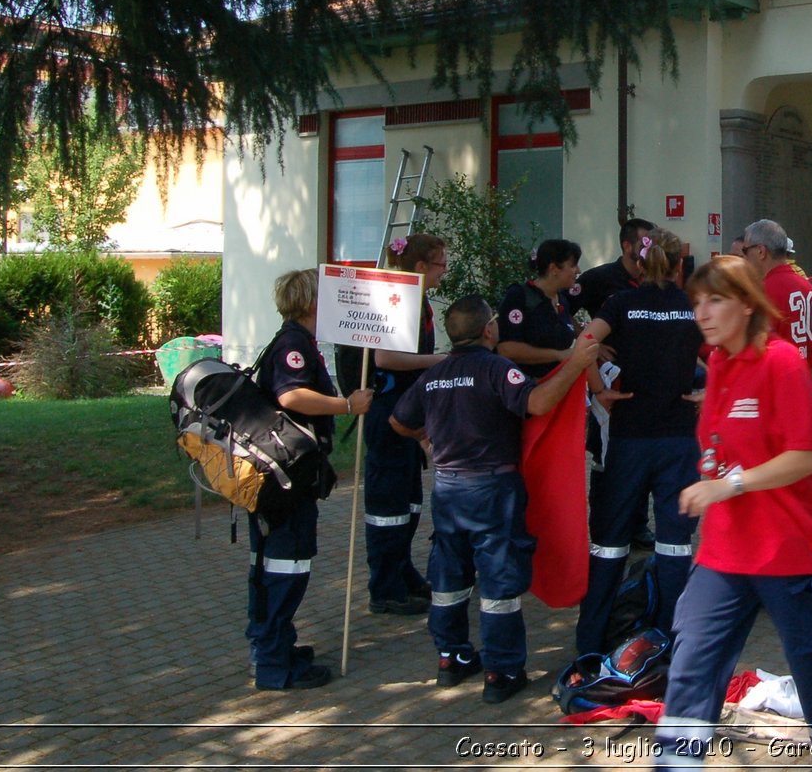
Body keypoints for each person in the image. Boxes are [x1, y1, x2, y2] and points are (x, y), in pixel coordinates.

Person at [653, 256, 812, 770]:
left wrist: (731, 483)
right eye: (697, 301)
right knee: (692, 660)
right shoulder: (718, 363)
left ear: (747, 305)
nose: (702, 311)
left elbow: (809, 454)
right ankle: (676, 762)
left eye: (716, 299)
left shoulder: (782, 362)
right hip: (724, 552)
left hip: (788, 550)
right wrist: (715, 479)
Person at [389, 295, 598, 703]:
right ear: (488, 329)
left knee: (449, 578)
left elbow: (398, 419)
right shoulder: (496, 369)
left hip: (448, 490)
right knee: (499, 581)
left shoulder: (436, 375)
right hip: (492, 490)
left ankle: (450, 659)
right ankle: (501, 673)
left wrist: (428, 443)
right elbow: (536, 402)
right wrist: (574, 364)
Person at [573, 228, 705, 656]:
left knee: (609, 543)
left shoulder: (621, 303)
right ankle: (671, 643)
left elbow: (584, 342)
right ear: (679, 264)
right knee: (674, 545)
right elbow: (730, 353)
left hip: (629, 437)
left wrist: (598, 390)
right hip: (678, 439)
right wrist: (710, 393)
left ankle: (590, 644)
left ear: (641, 263)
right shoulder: (691, 306)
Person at [248, 268, 374, 691]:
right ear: (311, 303)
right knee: (286, 567)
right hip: (285, 481)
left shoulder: (296, 341)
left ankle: (277, 646)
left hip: (285, 476)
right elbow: (291, 395)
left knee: (277, 565)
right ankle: (274, 664)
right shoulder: (292, 346)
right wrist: (347, 405)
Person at [362, 234, 448, 616]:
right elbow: (385, 357)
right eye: (441, 264)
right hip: (387, 410)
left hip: (411, 409)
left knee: (409, 501)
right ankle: (384, 586)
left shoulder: (419, 300)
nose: (445, 271)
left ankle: (402, 570)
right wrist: (438, 362)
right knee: (388, 504)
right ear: (420, 267)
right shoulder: (397, 299)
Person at [741, 218, 812, 377]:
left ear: (761, 251)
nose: (743, 258)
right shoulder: (809, 288)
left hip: (775, 388)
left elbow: (754, 351)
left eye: (745, 251)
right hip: (804, 387)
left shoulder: (763, 292)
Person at [497, 239, 582, 379]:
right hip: (527, 390)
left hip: (560, 386)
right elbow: (507, 349)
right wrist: (558, 355)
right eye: (573, 265)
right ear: (554, 269)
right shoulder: (519, 296)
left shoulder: (562, 300)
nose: (578, 270)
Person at [572, 217, 654, 319]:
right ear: (627, 246)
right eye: (645, 244)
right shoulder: (599, 277)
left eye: (654, 245)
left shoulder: (655, 279)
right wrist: (584, 333)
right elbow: (562, 309)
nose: (651, 250)